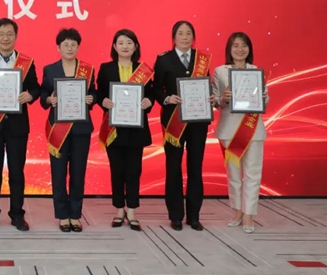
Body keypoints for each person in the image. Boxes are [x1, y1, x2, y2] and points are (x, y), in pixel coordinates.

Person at [0, 18, 40, 232]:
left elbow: (36, 88)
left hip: (17, 126)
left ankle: (17, 215)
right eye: (1, 34)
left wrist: (29, 95)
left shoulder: (26, 62)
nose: (5, 38)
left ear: (16, 36)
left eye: (9, 34)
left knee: (16, 172)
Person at [153, 20, 214, 231]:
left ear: (193, 37)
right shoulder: (164, 59)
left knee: (195, 167)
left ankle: (194, 216)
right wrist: (167, 98)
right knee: (173, 167)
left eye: (188, 33)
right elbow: (155, 88)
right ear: (174, 37)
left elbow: (206, 85)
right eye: (181, 33)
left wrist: (210, 96)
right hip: (174, 121)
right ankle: (176, 215)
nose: (185, 37)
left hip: (198, 121)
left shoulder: (202, 59)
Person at [96, 29, 154, 231]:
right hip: (114, 128)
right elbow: (99, 93)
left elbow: (151, 94)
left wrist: (149, 101)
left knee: (134, 171)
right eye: (120, 43)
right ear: (114, 46)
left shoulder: (144, 70)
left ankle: (132, 211)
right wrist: (103, 101)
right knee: (117, 171)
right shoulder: (106, 68)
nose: (125, 46)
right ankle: (119, 210)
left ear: (135, 46)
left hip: (136, 129)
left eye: (129, 42)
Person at [212, 32, 268, 234]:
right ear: (229, 49)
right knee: (233, 175)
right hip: (229, 129)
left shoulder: (256, 71)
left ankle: (249, 214)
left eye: (244, 45)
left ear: (249, 49)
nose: (240, 49)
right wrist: (224, 99)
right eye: (235, 45)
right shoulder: (220, 71)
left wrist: (264, 97)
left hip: (253, 130)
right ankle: (237, 211)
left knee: (253, 173)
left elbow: (265, 102)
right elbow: (215, 100)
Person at [41, 28, 96, 232]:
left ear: (78, 47)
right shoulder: (50, 69)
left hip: (81, 128)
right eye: (65, 44)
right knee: (58, 172)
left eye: (73, 44)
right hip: (58, 128)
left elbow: (95, 92)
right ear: (58, 47)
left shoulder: (88, 70)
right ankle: (62, 215)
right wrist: (49, 99)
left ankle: (75, 215)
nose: (70, 48)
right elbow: (43, 93)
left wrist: (92, 99)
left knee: (78, 172)